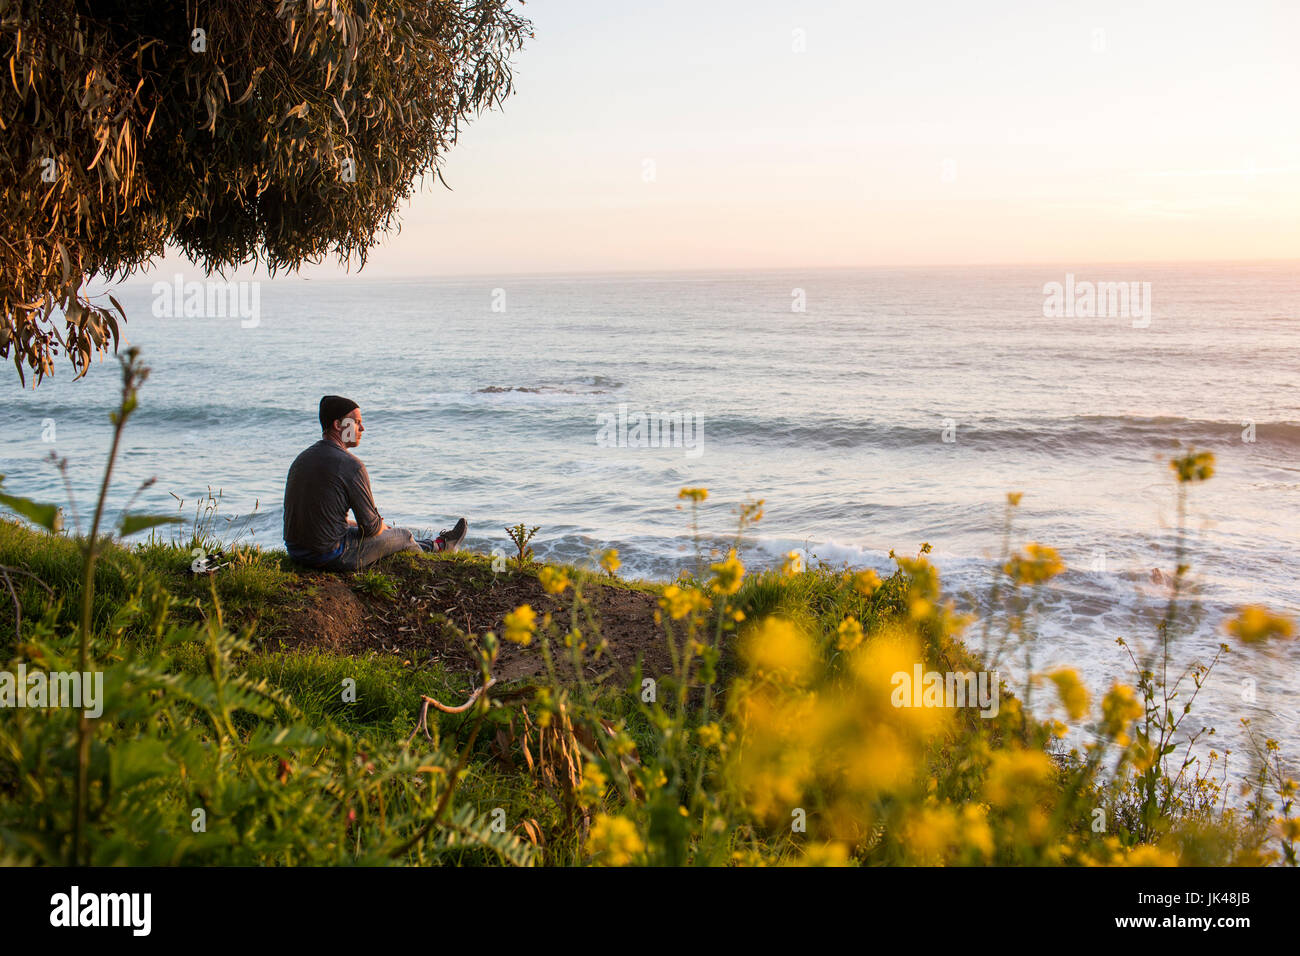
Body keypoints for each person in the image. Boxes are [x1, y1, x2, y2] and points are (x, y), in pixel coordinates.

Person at [282, 395, 467, 571]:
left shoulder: (302, 459)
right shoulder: (351, 465)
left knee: (380, 531)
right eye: (357, 422)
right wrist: (382, 527)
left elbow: (320, 516)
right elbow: (370, 528)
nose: (362, 429)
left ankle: (438, 545)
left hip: (297, 552)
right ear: (338, 425)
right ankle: (429, 566)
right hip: (329, 555)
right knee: (403, 535)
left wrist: (374, 527)